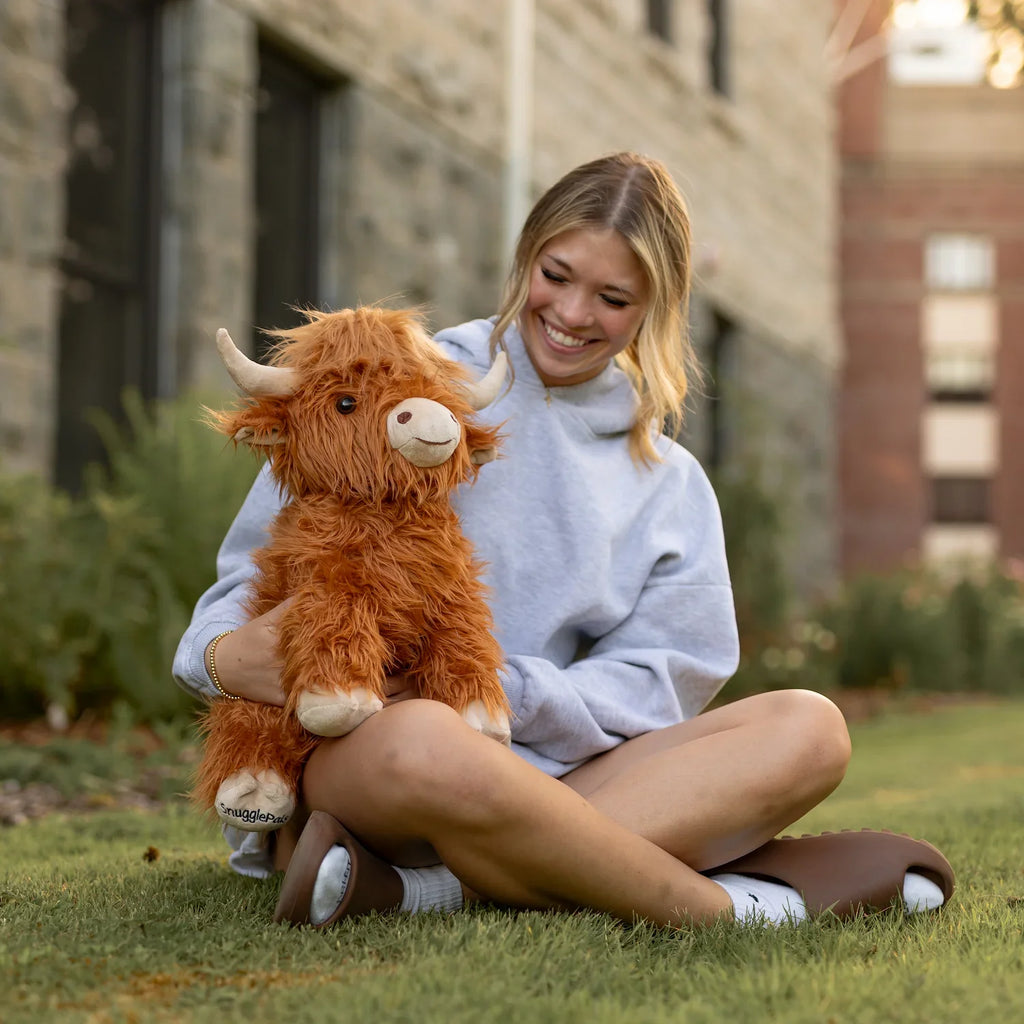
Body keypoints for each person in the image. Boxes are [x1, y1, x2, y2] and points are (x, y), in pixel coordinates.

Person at [173, 152, 953, 929]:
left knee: (808, 728)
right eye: (557, 274)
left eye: (613, 298)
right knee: (424, 739)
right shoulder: (386, 386)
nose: (574, 314)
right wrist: (216, 658)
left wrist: (502, 691)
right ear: (525, 256)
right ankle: (715, 906)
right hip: (384, 761)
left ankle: (430, 890)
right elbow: (239, 594)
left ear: (654, 308)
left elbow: (666, 681)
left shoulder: (668, 481)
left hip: (563, 776)